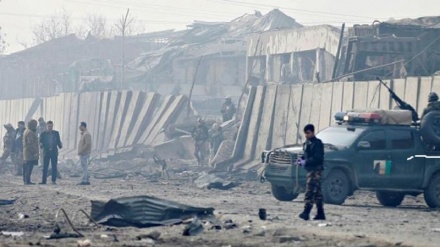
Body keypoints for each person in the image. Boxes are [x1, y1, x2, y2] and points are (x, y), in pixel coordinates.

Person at [296, 124, 325, 221]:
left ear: (312, 132)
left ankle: (306, 212)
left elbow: (317, 158)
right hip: (309, 169)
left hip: (315, 170)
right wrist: (301, 160)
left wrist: (306, 162)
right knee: (317, 193)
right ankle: (320, 213)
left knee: (310, 190)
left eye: (308, 133)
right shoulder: (307, 143)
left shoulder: (317, 143)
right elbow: (306, 155)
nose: (306, 135)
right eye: (305, 133)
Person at [39, 121, 62, 185]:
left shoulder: (56, 133)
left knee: (54, 166)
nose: (50, 128)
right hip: (46, 152)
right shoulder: (43, 134)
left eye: (51, 126)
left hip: (54, 152)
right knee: (45, 166)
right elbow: (40, 141)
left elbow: (58, 141)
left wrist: (60, 145)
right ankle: (44, 181)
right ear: (46, 126)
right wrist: (41, 145)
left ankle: (53, 180)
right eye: (49, 126)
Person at [23, 119, 39, 185]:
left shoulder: (26, 131)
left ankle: (25, 180)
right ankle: (27, 181)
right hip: (30, 153)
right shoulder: (30, 132)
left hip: (27, 152)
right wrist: (34, 152)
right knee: (29, 167)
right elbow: (30, 143)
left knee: (26, 167)